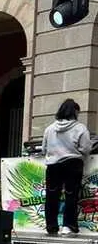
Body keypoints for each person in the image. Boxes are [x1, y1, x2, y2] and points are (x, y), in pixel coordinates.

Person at [42, 98, 90, 235]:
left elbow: (44, 149)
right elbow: (86, 148)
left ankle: (51, 226)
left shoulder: (49, 129)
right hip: (73, 164)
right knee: (71, 195)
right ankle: (68, 226)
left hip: (53, 165)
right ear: (75, 112)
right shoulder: (80, 128)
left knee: (52, 196)